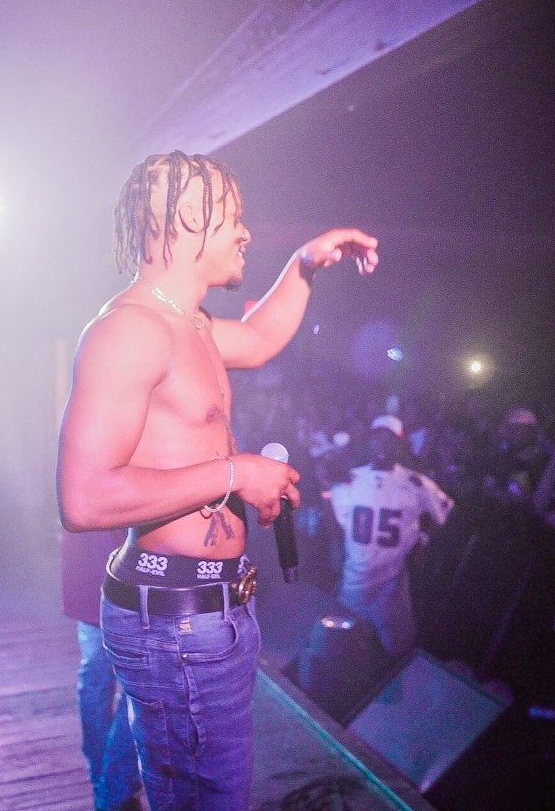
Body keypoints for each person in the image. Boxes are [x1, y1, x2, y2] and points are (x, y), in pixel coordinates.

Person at [56, 150, 378, 811]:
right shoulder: (130, 330)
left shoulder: (190, 324)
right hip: (174, 623)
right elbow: (83, 499)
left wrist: (305, 264)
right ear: (187, 217)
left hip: (207, 611)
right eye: (234, 216)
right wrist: (237, 473)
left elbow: (258, 339)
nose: (246, 232)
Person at [330, 414, 453, 657]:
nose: (383, 445)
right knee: (341, 646)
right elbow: (339, 521)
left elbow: (445, 509)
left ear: (399, 445)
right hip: (356, 580)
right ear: (370, 441)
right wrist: (336, 547)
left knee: (400, 650)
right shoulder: (351, 479)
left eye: (390, 439)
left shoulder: (415, 482)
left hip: (392, 584)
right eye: (378, 438)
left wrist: (423, 539)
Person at [61, 528, 142, 811]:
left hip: (90, 578)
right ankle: (114, 789)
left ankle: (104, 781)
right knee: (137, 689)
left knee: (96, 683)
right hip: (130, 583)